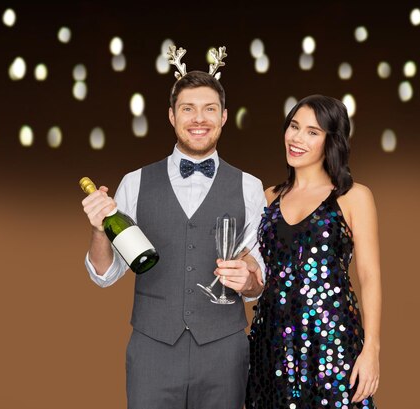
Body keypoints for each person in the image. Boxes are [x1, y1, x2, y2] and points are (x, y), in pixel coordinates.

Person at [81, 56, 266, 408]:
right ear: (171, 116)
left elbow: (257, 282)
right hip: (152, 350)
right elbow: (105, 275)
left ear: (223, 117)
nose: (199, 119)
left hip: (224, 351)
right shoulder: (134, 183)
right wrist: (99, 231)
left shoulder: (250, 187)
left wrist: (251, 281)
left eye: (209, 109)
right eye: (188, 109)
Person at [245, 95, 382, 408]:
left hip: (332, 343)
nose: (297, 138)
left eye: (312, 132)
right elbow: (254, 265)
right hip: (271, 342)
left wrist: (371, 349)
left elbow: (369, 276)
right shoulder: (267, 197)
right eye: (294, 127)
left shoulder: (353, 196)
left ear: (330, 142)